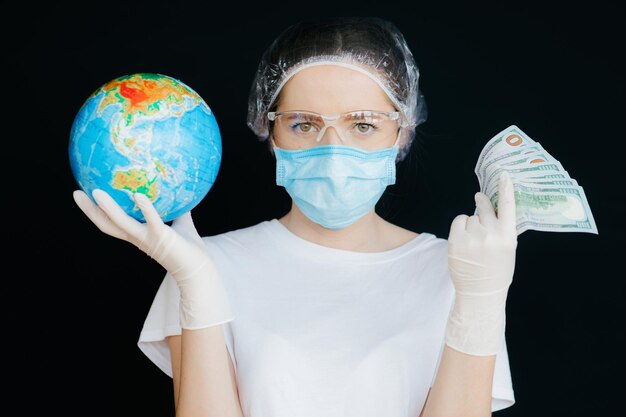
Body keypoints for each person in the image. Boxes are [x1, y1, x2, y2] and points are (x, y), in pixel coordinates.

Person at [73, 16, 518, 417]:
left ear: (401, 133)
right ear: (270, 132)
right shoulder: (200, 264)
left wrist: (480, 304)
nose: (332, 148)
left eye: (363, 125)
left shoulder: (462, 273)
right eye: (303, 124)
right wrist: (197, 286)